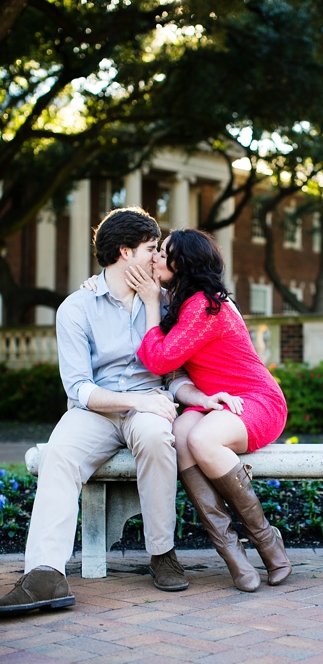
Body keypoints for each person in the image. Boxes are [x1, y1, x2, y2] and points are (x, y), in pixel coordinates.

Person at [0, 208, 200, 615]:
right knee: (58, 453)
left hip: (150, 404)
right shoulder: (76, 308)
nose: (158, 256)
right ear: (125, 252)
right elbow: (79, 388)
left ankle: (162, 553)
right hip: (97, 410)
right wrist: (136, 401)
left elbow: (176, 370)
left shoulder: (166, 303)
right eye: (151, 248)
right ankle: (45, 574)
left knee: (155, 437)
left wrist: (190, 397)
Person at [122, 228, 291, 592]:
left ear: (181, 263)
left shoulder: (204, 305)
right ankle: (232, 554)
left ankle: (267, 541)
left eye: (163, 253)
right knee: (181, 436)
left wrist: (150, 305)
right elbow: (172, 367)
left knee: (201, 439)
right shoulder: (182, 300)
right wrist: (95, 283)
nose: (155, 258)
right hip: (217, 402)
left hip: (255, 400)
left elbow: (159, 360)